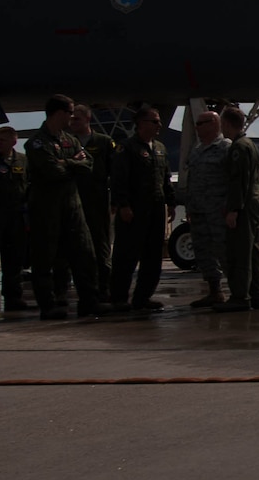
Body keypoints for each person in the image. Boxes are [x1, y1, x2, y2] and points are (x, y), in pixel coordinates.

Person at [25, 94, 103, 320]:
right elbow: (51, 171)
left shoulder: (70, 139)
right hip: (46, 209)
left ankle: (89, 302)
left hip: (72, 207)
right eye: (70, 112)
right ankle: (48, 305)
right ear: (59, 113)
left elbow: (88, 164)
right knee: (44, 258)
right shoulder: (36, 143)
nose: (72, 116)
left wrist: (66, 163)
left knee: (84, 254)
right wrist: (73, 163)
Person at [108, 104, 172, 312]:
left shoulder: (160, 148)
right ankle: (118, 298)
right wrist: (123, 205)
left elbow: (166, 178)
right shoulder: (126, 148)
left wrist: (171, 203)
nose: (159, 125)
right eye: (154, 121)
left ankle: (143, 297)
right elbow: (119, 179)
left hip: (155, 209)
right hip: (133, 210)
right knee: (126, 255)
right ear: (141, 124)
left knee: (153, 256)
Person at [218, 105, 259, 312]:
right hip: (256, 202)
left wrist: (233, 209)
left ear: (227, 124)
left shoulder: (238, 148)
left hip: (244, 205)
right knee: (255, 253)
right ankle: (257, 295)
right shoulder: (251, 145)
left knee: (240, 252)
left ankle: (240, 296)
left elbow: (238, 181)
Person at [182, 108, 231, 307]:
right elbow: (191, 179)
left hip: (218, 211)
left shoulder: (225, 148)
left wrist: (229, 207)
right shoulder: (196, 149)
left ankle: (237, 291)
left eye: (201, 124)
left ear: (214, 125)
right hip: (198, 210)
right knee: (203, 251)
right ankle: (214, 291)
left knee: (224, 250)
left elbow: (232, 180)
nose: (197, 127)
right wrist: (189, 207)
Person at [68, 104, 117, 301]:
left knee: (101, 245)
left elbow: (114, 172)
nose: (73, 123)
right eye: (71, 119)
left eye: (77, 119)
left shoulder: (103, 142)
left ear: (88, 120)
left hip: (97, 201)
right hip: (74, 201)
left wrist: (116, 199)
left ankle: (104, 289)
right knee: (77, 248)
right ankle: (85, 291)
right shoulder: (67, 143)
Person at [0, 125, 30, 312]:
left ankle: (13, 297)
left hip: (16, 217)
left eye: (2, 140)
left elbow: (28, 186)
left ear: (13, 141)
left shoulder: (23, 160)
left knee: (14, 260)